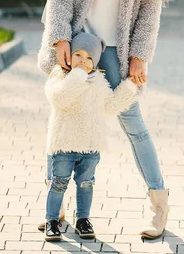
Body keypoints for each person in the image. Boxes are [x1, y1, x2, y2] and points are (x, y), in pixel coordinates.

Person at [37, 0, 182, 239]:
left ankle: (158, 205)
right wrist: (59, 38)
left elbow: (151, 6)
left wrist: (139, 55)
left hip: (117, 51)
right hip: (78, 40)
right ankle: (59, 207)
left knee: (133, 125)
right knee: (64, 116)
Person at [43, 32, 138, 242]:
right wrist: (78, 76)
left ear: (95, 62)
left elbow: (110, 106)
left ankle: (83, 219)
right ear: (69, 55)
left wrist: (130, 87)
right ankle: (51, 220)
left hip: (90, 145)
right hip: (64, 144)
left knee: (86, 183)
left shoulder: (99, 81)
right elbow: (60, 99)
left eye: (88, 58)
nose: (82, 61)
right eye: (78, 54)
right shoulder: (60, 77)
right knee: (59, 182)